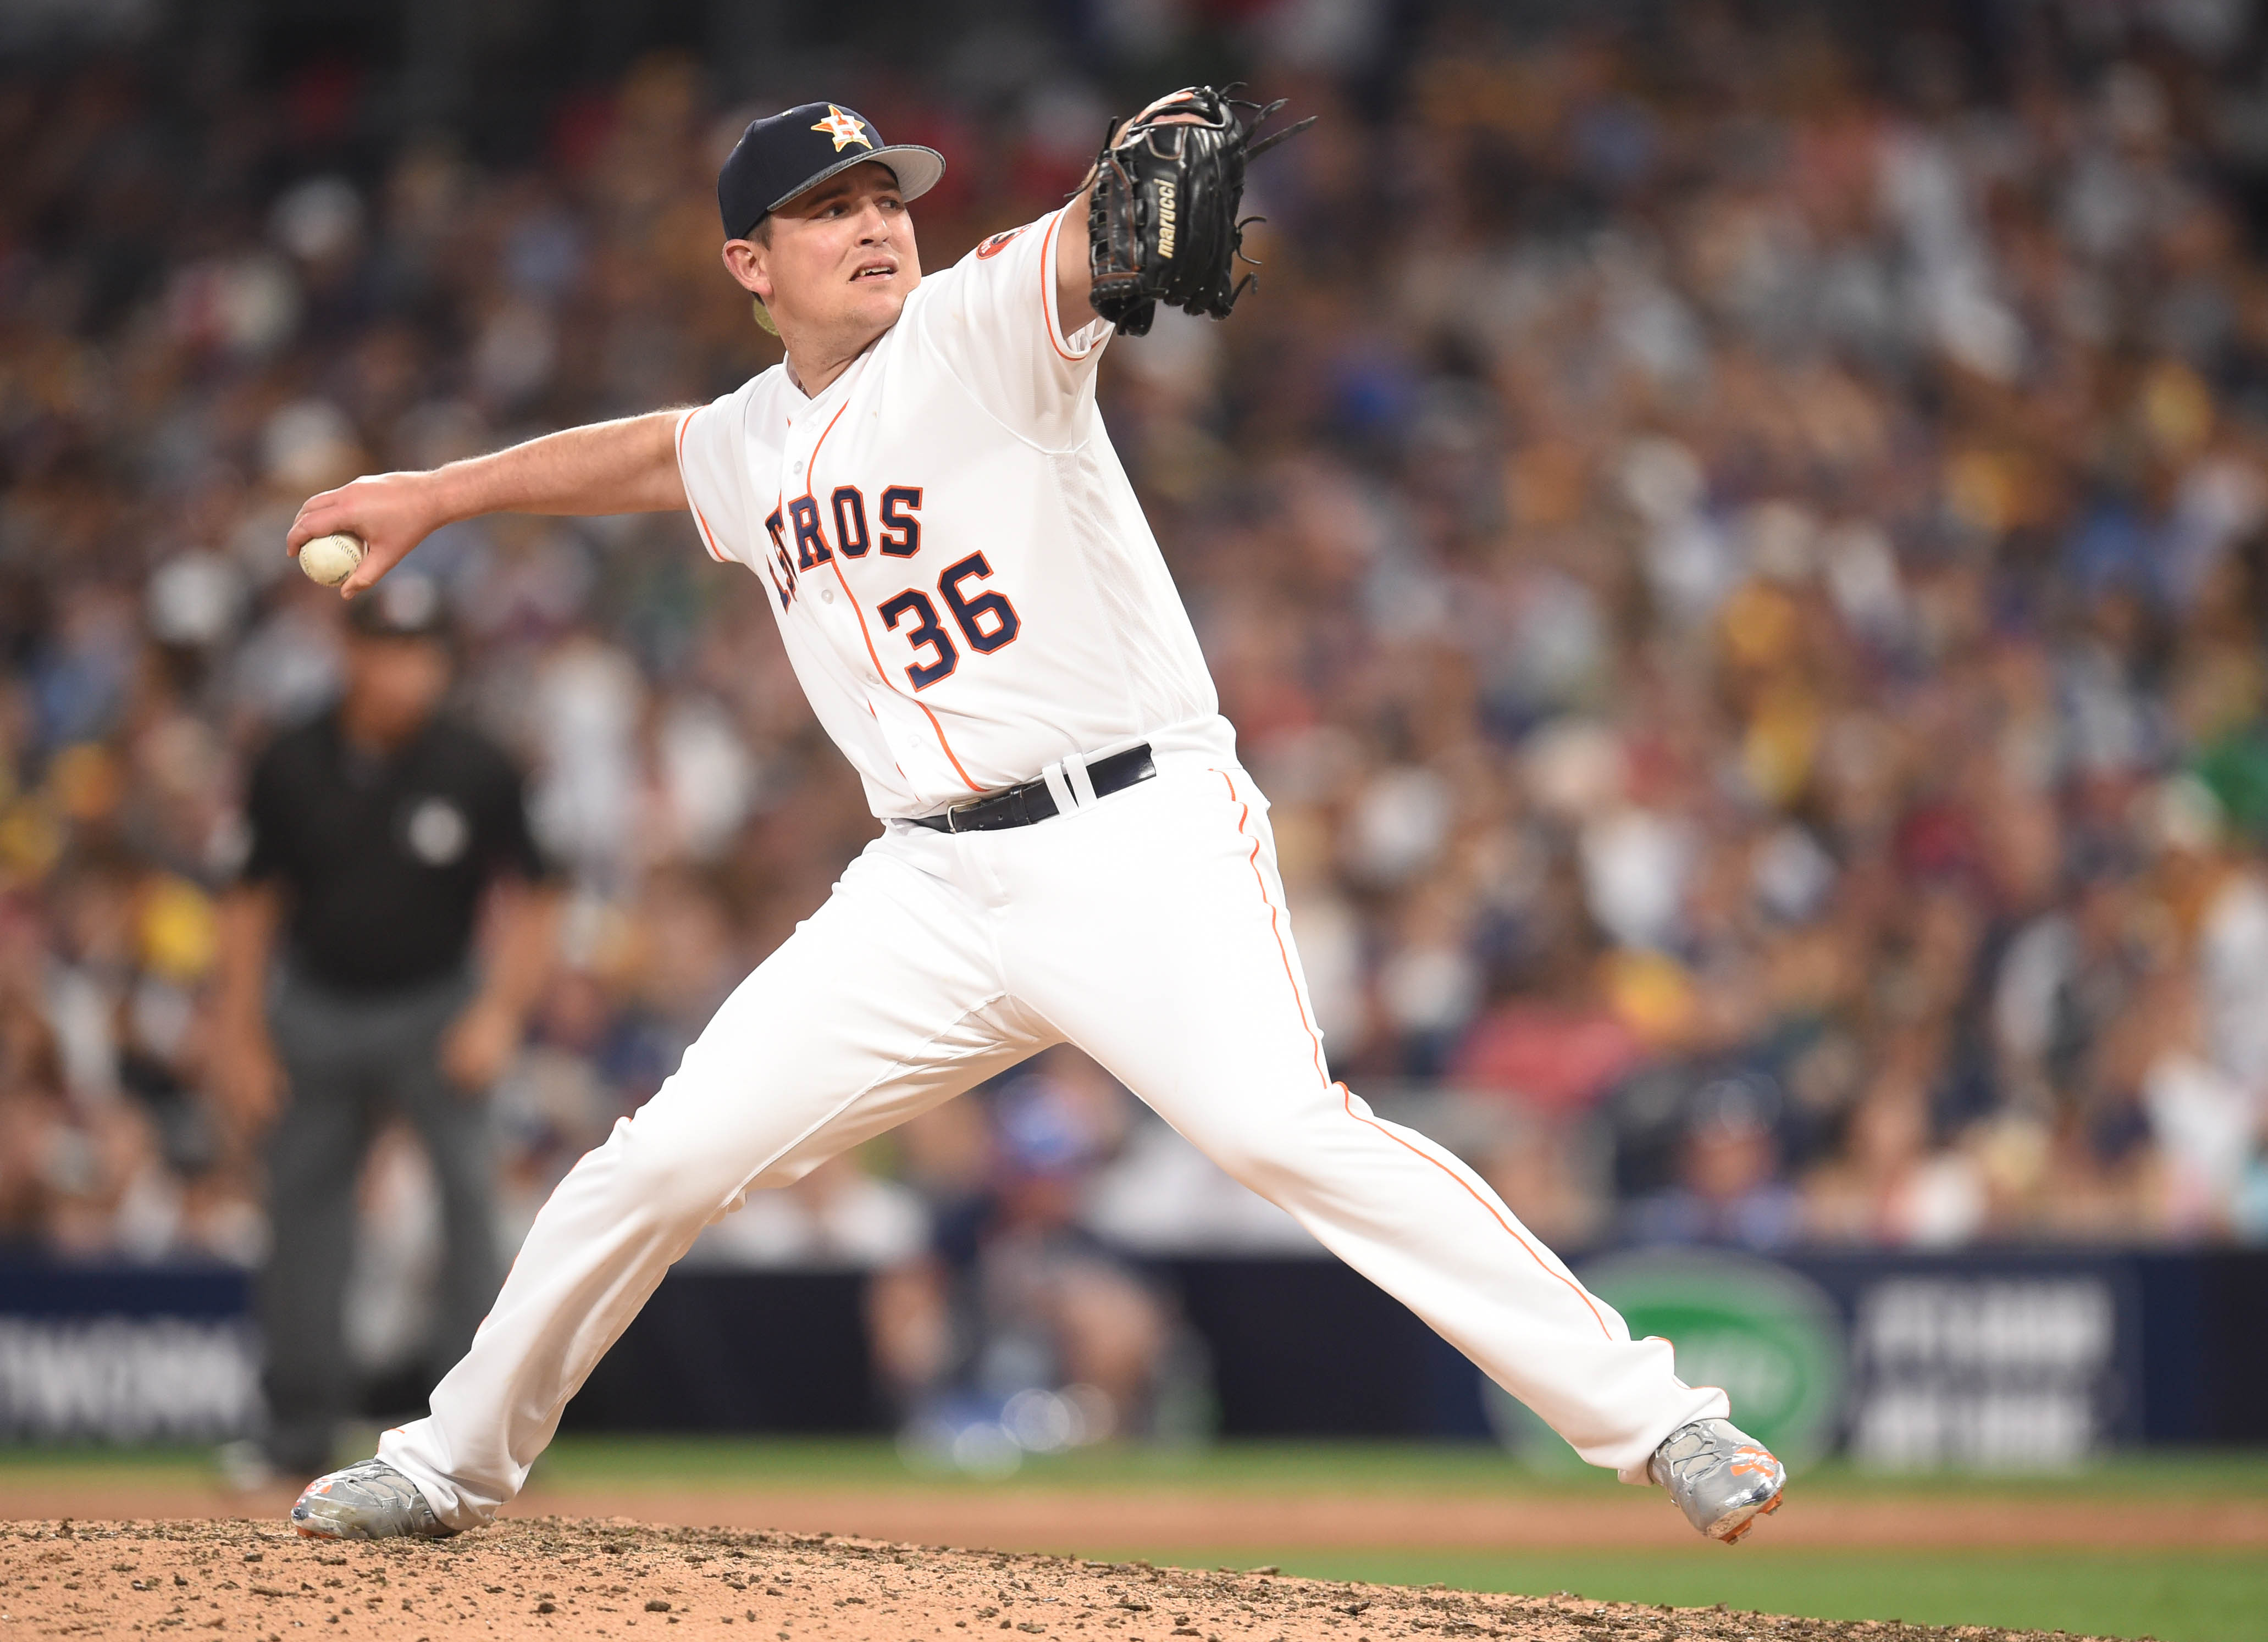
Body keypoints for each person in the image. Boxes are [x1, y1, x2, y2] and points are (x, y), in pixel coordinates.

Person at [280, 95, 1786, 1545]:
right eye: (826, 209)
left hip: (1132, 833)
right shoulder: (747, 441)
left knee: (1281, 1129)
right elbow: (651, 451)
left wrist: (1131, 163)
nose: (874, 223)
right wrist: (442, 492)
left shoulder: (974, 324)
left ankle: (1660, 1421)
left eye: (884, 196)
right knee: (657, 1161)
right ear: (748, 264)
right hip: (924, 887)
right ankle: (448, 1463)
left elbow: (1072, 245)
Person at [212, 575, 560, 1478]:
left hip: (438, 1007)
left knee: (472, 1213)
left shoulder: (478, 763)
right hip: (317, 1007)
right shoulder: (288, 759)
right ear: (350, 651)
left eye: (426, 653)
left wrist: (499, 1013)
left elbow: (541, 897)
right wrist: (241, 1036)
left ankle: (474, 1440)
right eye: (391, 649)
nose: (410, 671)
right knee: (301, 1219)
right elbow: (249, 906)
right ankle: (295, 1433)